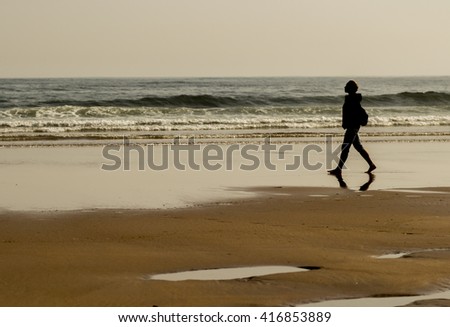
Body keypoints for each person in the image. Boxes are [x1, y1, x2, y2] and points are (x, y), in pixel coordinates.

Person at [329, 80, 376, 176]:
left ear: (350, 88)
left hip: (352, 127)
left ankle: (339, 169)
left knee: (345, 147)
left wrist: (350, 124)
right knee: (358, 147)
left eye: (346, 86)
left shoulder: (353, 99)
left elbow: (357, 112)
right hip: (353, 127)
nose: (344, 87)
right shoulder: (351, 98)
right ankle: (371, 164)